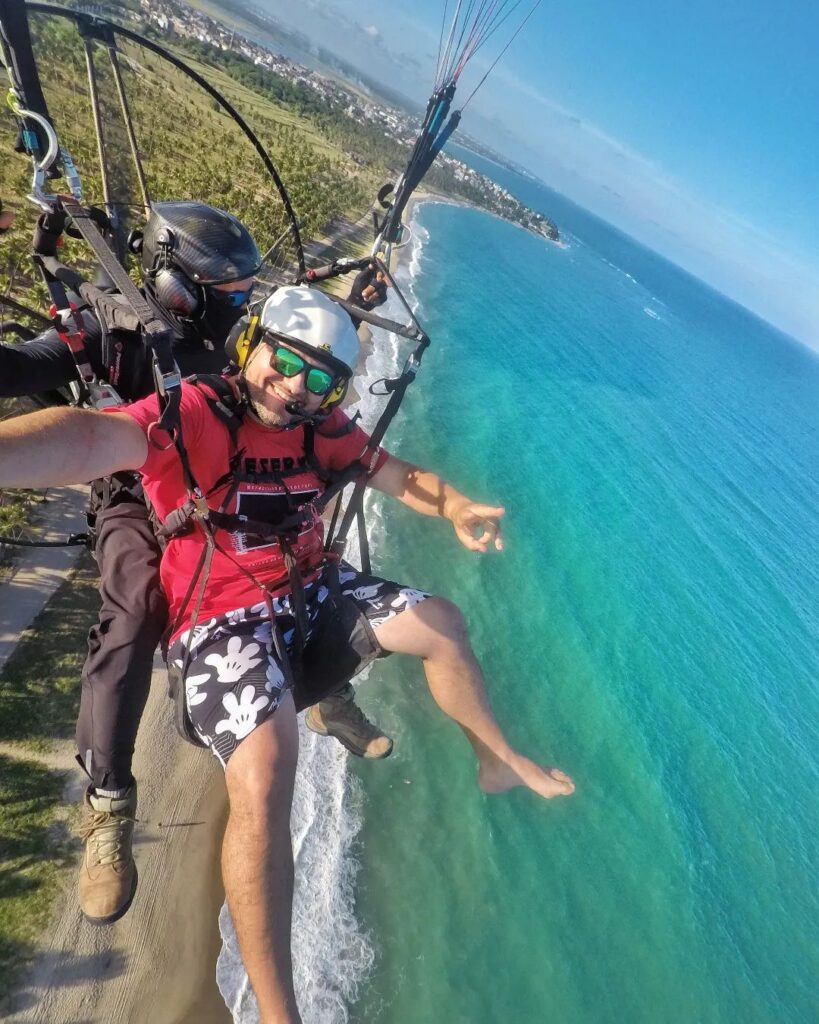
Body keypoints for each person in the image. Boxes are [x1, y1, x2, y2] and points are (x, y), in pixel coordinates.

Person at [0, 284, 575, 1022]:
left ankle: (497, 758)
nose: (295, 387)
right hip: (220, 619)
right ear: (252, 346)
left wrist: (455, 503)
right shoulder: (199, 413)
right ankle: (279, 1013)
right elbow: (87, 437)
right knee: (267, 776)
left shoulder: (321, 431)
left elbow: (394, 473)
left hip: (308, 587)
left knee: (440, 621)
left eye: (321, 380)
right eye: (286, 361)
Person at [0, 203, 390, 927]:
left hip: (229, 479)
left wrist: (348, 312)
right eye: (234, 292)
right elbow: (21, 368)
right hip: (137, 486)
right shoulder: (104, 337)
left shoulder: (234, 340)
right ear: (183, 287)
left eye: (249, 294)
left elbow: (290, 357)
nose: (243, 303)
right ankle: (109, 805)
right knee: (135, 615)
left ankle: (325, 693)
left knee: (306, 549)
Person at [346, 261, 389, 328]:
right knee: (366, 294)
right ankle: (379, 276)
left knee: (369, 294)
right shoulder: (359, 283)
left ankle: (379, 276)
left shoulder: (378, 295)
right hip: (349, 316)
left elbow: (383, 299)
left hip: (353, 322)